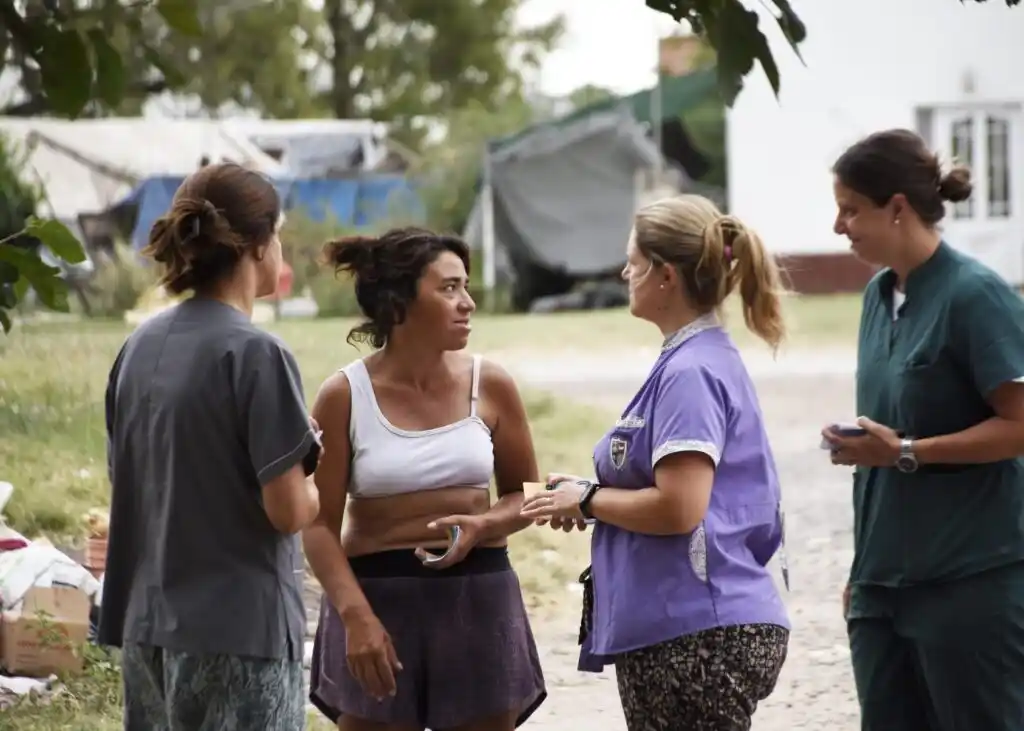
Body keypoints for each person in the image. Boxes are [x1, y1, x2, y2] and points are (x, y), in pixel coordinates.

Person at [521, 194, 791, 731]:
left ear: (665, 276)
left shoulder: (691, 371)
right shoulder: (690, 358)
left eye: (634, 262)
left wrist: (591, 499)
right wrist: (585, 493)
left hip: (697, 629)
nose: (624, 272)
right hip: (691, 625)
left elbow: (679, 508)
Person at [99, 163, 321, 731]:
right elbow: (288, 510)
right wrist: (318, 476)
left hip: (147, 629)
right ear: (256, 245)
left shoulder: (138, 347)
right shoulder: (256, 354)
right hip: (239, 635)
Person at [304, 227, 546, 731]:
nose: (468, 303)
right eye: (449, 288)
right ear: (398, 303)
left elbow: (530, 493)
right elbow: (318, 525)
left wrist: (484, 525)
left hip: (478, 600)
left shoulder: (492, 384)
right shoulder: (344, 395)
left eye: (466, 286)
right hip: (377, 603)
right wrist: (356, 617)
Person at [822, 128, 1024, 731]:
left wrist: (907, 451)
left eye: (850, 209)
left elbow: (1019, 425)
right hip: (882, 587)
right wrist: (865, 575)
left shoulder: (976, 295)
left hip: (968, 583)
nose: (839, 227)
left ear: (899, 208)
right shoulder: (877, 297)